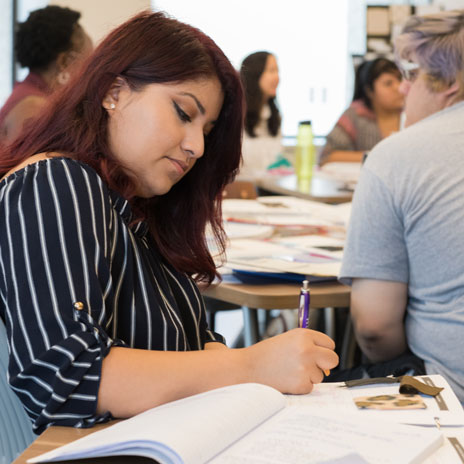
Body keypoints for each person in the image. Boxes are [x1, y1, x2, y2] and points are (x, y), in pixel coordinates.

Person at [0, 11, 338, 434]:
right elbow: (65, 379)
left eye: (207, 130)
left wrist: (240, 366)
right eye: (183, 113)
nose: (196, 146)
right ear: (113, 91)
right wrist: (247, 364)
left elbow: (194, 345)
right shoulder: (56, 183)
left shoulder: (139, 208)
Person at [334, 9, 464, 402]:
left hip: (446, 393)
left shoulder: (396, 155)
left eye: (412, 75)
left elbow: (374, 327)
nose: (404, 90)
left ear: (450, 84)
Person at [0, 5, 93, 144]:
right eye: (89, 61)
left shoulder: (31, 95)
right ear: (65, 61)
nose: (92, 70)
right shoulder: (35, 107)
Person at [319, 57, 404, 165]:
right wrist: (375, 157)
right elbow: (327, 156)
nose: (399, 87)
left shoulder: (412, 114)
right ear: (369, 91)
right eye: (388, 83)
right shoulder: (354, 116)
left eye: (400, 80)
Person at [238, 51, 284, 179]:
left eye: (277, 71)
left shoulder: (274, 116)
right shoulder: (236, 115)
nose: (277, 77)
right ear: (255, 74)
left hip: (270, 188)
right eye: (271, 71)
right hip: (243, 190)